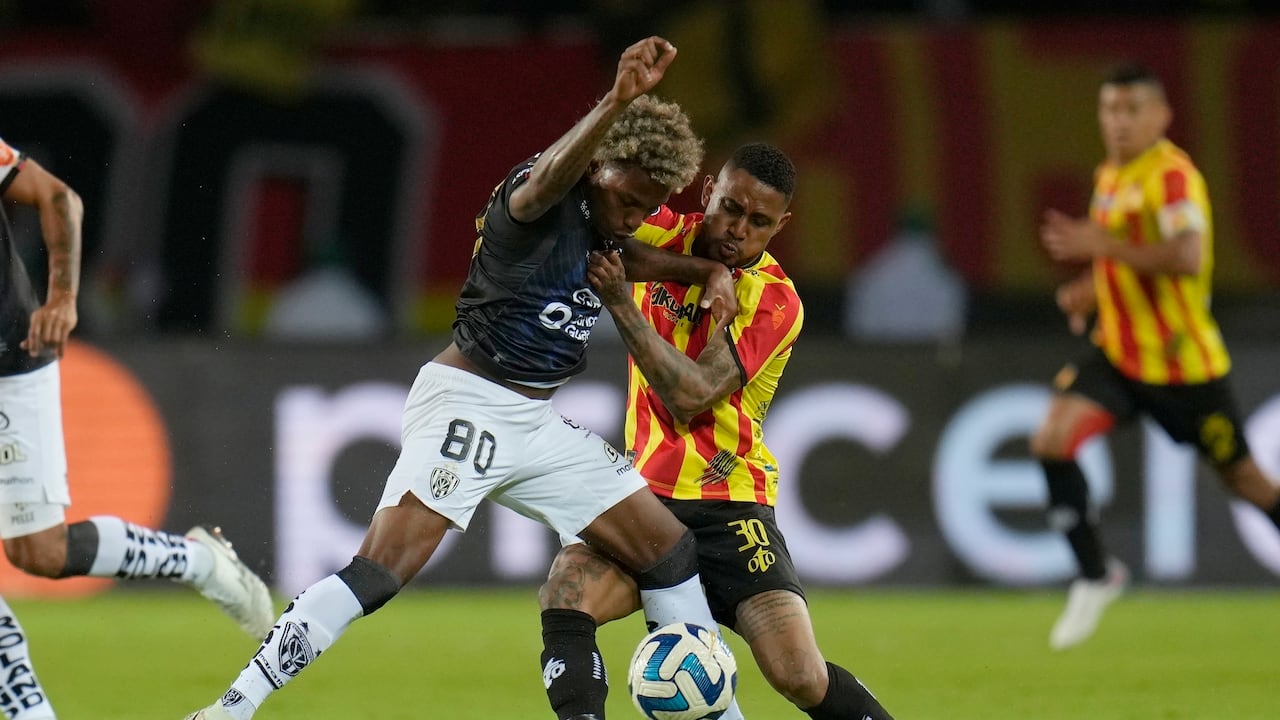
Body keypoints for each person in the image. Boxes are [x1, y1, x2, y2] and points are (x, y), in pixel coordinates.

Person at [183, 36, 742, 720]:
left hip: (534, 424)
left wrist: (709, 271)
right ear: (599, 165)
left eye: (648, 206)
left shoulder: (603, 226)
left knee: (668, 549)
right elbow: (546, 183)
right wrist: (617, 100)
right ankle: (231, 708)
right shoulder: (532, 202)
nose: (634, 218)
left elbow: (635, 258)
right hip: (470, 406)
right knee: (381, 571)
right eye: (629, 198)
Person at [540, 143, 894, 719]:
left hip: (731, 505)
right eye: (730, 208)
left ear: (781, 225)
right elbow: (584, 213)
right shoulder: (661, 235)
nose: (737, 230)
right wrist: (699, 268)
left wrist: (622, 307)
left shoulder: (774, 300)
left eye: (759, 222)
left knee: (798, 674)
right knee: (566, 593)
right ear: (707, 192)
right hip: (645, 502)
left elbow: (691, 396)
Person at [0, 137, 275, 719]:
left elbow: (58, 198)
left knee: (41, 551)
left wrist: (64, 297)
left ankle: (198, 561)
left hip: (11, 363)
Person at [1033, 62, 1280, 650]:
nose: (1119, 123)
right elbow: (1119, 258)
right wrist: (1090, 290)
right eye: (1110, 110)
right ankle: (1096, 574)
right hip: (1120, 355)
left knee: (1247, 481)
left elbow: (1188, 255)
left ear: (1161, 115)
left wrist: (1102, 246)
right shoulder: (1112, 176)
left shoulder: (1172, 177)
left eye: (1131, 110)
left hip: (1184, 370)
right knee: (1051, 440)